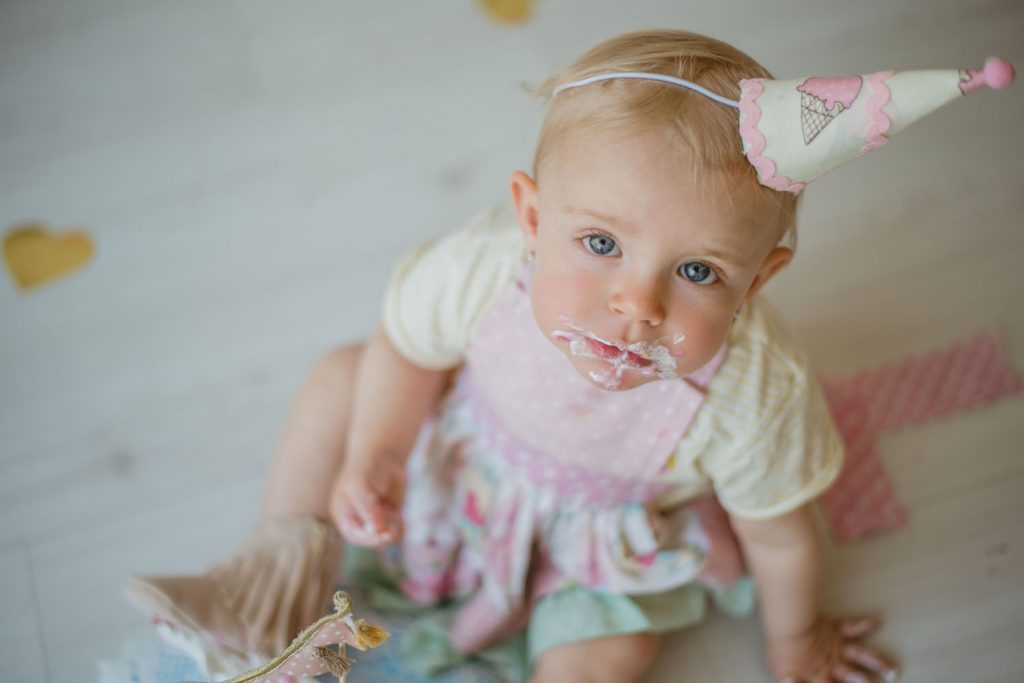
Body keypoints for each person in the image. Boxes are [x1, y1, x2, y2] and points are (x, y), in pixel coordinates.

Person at [127, 28, 1014, 683]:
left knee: (611, 653)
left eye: (698, 271)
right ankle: (270, 573)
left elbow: (779, 535)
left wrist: (796, 638)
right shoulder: (483, 269)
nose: (637, 304)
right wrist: (378, 452)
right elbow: (405, 347)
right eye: (599, 244)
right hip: (460, 464)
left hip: (600, 544)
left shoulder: (757, 393)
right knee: (341, 373)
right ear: (532, 216)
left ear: (760, 277)